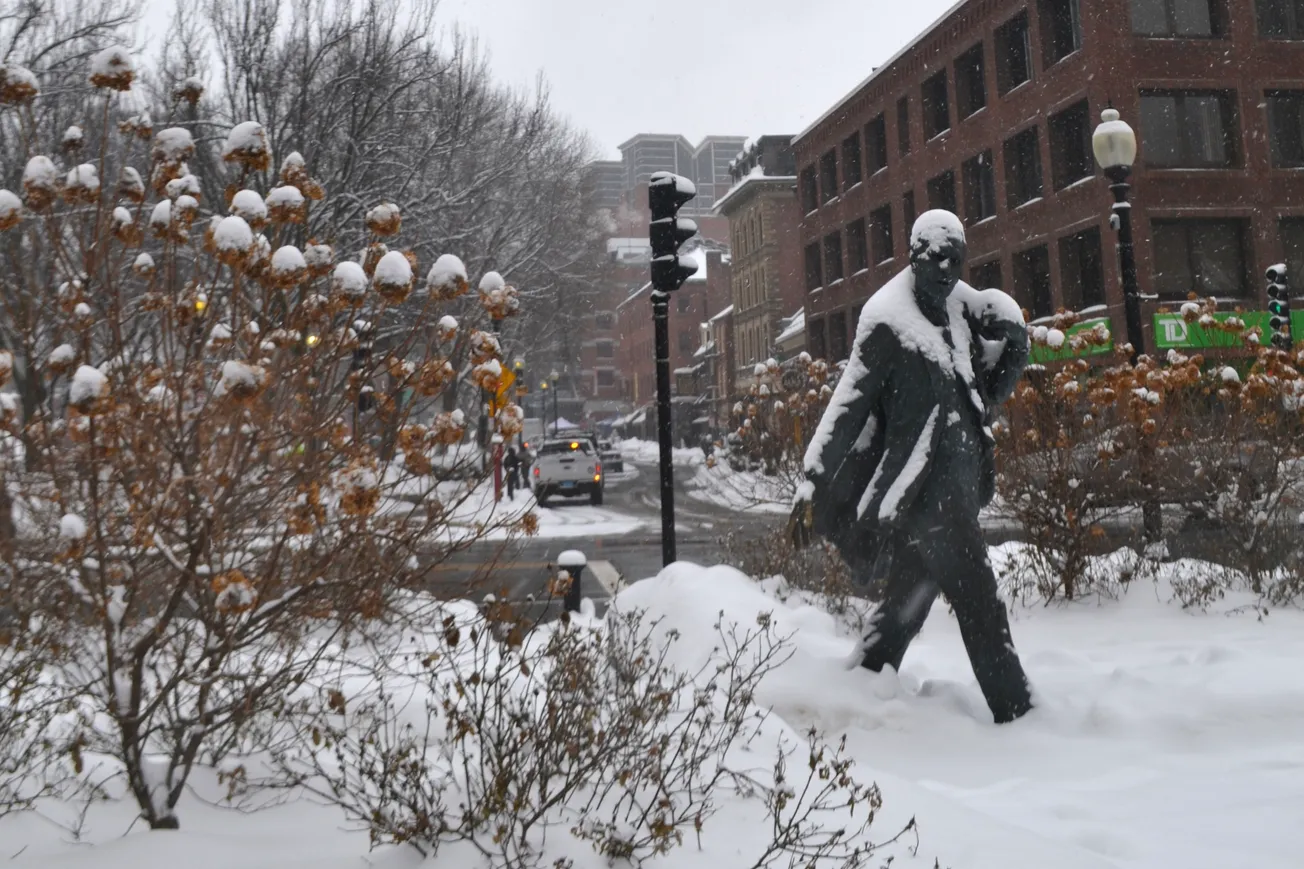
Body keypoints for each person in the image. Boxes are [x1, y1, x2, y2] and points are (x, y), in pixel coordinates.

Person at [790, 210, 1034, 724]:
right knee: (980, 602)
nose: (946, 270)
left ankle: (864, 676)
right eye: (936, 260)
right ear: (914, 257)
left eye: (955, 261)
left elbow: (984, 400)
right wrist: (812, 482)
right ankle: (1018, 713)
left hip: (962, 485)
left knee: (909, 598)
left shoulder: (962, 309)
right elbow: (848, 404)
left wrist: (1016, 339)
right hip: (927, 492)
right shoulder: (887, 322)